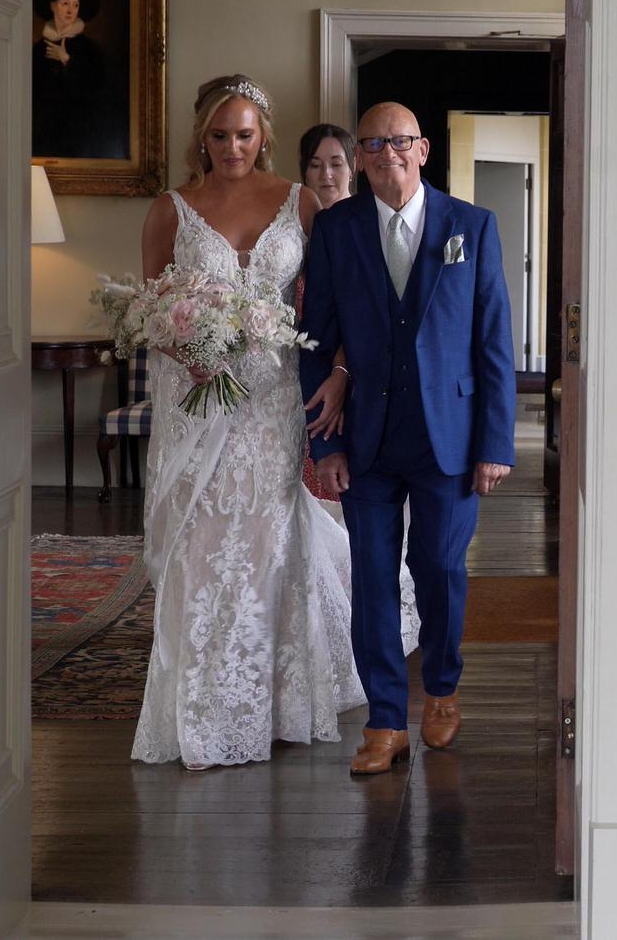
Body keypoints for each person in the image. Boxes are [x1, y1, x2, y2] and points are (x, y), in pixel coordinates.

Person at [130, 75, 417, 770]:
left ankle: (274, 702)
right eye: (221, 134)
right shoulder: (172, 209)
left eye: (245, 133)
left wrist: (343, 374)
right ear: (203, 135)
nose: (233, 146)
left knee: (266, 543)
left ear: (264, 135)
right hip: (198, 400)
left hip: (273, 400)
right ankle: (199, 712)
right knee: (200, 545)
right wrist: (189, 349)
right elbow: (148, 309)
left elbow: (345, 300)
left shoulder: (303, 201)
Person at [299, 102, 517, 775]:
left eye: (398, 141)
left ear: (422, 149)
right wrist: (323, 445)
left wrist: (495, 443)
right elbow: (315, 338)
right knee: (371, 578)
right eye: (373, 144)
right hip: (363, 434)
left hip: (448, 436)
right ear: (360, 157)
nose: (386, 152)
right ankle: (386, 720)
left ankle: (443, 691)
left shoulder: (471, 227)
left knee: (441, 570)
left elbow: (493, 343)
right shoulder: (337, 229)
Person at [31, 0, 121, 159]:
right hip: (44, 136)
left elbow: (97, 91)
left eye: (75, 5)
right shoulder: (37, 50)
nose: (70, 10)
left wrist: (67, 61)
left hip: (78, 135)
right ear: (52, 5)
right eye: (65, 3)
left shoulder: (90, 49)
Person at [299, 122, 360, 210]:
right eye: (316, 165)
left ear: (353, 167)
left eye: (336, 164)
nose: (326, 175)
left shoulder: (370, 217)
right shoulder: (292, 219)